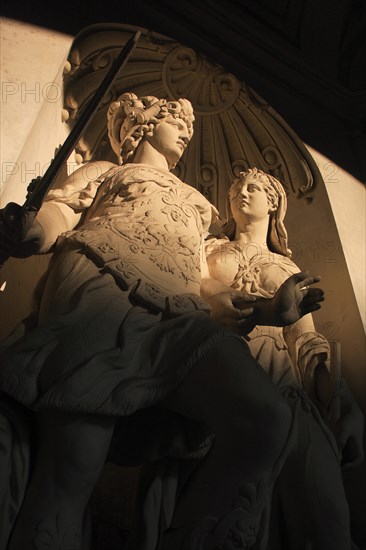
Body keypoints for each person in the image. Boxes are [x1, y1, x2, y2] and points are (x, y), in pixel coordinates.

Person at [0, 93, 330, 550]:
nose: (186, 131)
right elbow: (60, 214)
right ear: (142, 123)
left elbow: (200, 277)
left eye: (188, 126)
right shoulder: (103, 170)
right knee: (74, 467)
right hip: (100, 283)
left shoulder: (199, 204)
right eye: (175, 120)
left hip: (179, 310)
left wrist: (273, 310)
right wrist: (32, 232)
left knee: (265, 418)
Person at [201, 168, 364, 549]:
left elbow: (306, 341)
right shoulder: (206, 249)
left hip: (285, 388)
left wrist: (339, 400)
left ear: (273, 203)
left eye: (253, 187)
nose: (242, 192)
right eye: (237, 187)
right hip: (219, 382)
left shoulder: (288, 268)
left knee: (327, 518)